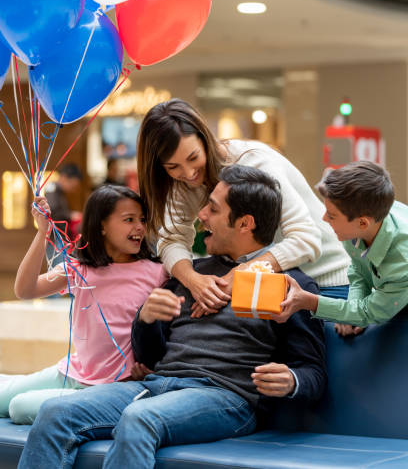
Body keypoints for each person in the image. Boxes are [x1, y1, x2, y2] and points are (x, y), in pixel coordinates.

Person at [17, 165, 326, 469]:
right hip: (157, 384)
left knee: (141, 419)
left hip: (225, 397)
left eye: (213, 209)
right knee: (54, 413)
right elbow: (152, 354)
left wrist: (292, 381)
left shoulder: (290, 285)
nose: (201, 215)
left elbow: (313, 373)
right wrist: (147, 319)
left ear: (245, 223)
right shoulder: (192, 273)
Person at [137, 98, 350, 314]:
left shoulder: (255, 162)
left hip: (327, 283)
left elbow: (305, 239)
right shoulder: (182, 184)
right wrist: (194, 281)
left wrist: (238, 276)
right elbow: (172, 239)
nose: (189, 173)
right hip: (274, 289)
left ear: (205, 140)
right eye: (173, 167)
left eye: (193, 158)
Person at [0, 185, 167, 425]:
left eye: (142, 219)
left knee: (19, 407)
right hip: (71, 372)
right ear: (102, 226)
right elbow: (25, 290)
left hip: (108, 388)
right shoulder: (80, 270)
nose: (139, 227)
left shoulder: (157, 273)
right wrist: (42, 233)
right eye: (129, 220)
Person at [268, 161, 408, 333]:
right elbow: (358, 271)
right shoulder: (361, 222)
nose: (324, 219)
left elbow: (370, 312)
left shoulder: (403, 262)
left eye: (332, 215)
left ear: (363, 223)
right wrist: (350, 311)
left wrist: (310, 301)